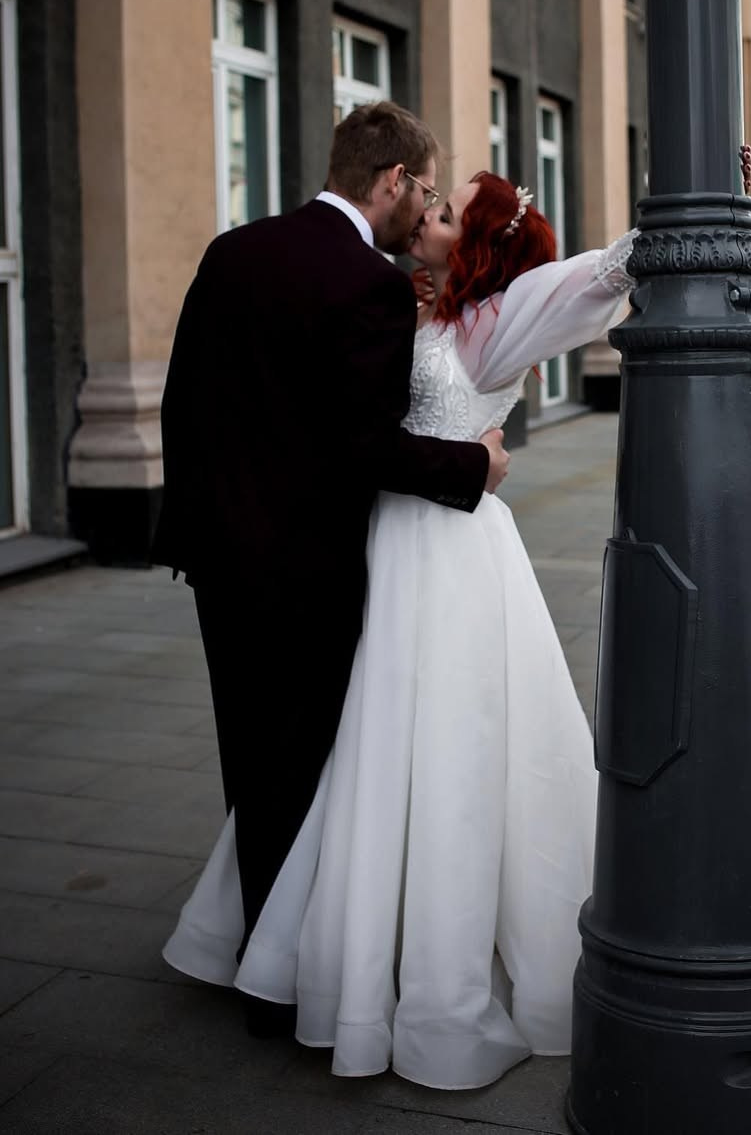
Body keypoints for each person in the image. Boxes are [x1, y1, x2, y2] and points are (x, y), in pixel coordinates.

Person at [163, 171, 637, 1088]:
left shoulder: (505, 317)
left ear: (479, 248)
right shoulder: (402, 300)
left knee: (451, 752)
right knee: (364, 744)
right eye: (429, 200)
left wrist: (677, 213)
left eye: (449, 211)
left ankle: (429, 960)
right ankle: (336, 929)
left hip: (453, 558)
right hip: (382, 546)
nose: (428, 213)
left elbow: (597, 276)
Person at [152, 105, 510, 1036]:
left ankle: (260, 948)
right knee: (307, 767)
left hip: (222, 559)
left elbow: (182, 400)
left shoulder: (233, 249)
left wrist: (191, 530)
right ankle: (289, 976)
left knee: (251, 756)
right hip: (309, 568)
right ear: (391, 181)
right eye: (425, 191)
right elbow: (365, 447)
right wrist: (475, 467)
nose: (425, 207)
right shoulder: (370, 283)